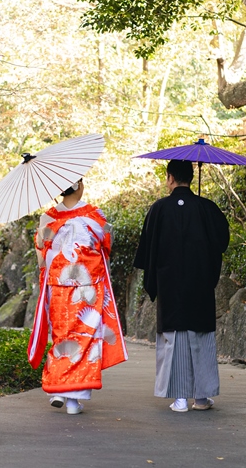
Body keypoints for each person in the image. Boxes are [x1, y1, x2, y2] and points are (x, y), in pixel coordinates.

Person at [134, 159, 230, 412]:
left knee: (175, 337)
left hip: (170, 283)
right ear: (191, 177)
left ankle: (179, 399)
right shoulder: (207, 207)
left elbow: (147, 249)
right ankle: (201, 398)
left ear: (170, 178)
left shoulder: (159, 209)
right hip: (200, 282)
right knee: (200, 336)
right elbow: (221, 240)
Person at [27, 178, 128, 415]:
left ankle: (58, 389)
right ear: (79, 185)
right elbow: (106, 246)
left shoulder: (47, 218)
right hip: (88, 287)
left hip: (58, 287)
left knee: (61, 336)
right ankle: (73, 402)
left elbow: (42, 259)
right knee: (85, 338)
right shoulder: (94, 215)